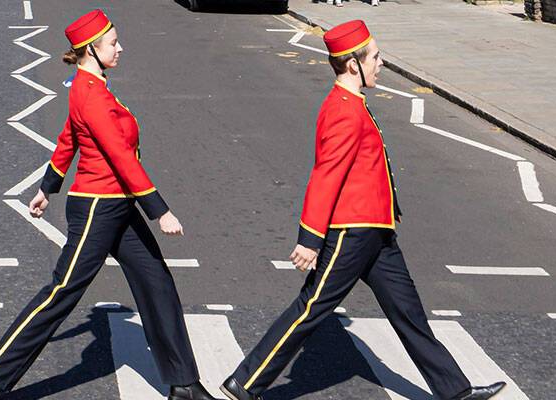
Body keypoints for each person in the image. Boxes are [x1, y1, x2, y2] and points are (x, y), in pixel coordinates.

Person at [216, 20, 504, 400]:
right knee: (311, 310)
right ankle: (245, 382)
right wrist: (310, 238)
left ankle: (455, 391)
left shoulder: (352, 105)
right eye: (375, 57)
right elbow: (326, 175)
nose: (381, 63)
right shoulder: (343, 111)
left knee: (409, 314)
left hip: (377, 233)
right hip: (351, 232)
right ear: (354, 65)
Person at [0, 10, 216, 400]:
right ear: (90, 50)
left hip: (117, 206)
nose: (121, 48)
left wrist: (47, 187)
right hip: (98, 207)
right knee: (63, 291)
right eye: (113, 43)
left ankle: (183, 383)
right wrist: (159, 209)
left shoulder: (92, 87)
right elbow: (119, 154)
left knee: (157, 284)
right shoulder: (89, 91)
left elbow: (69, 139)